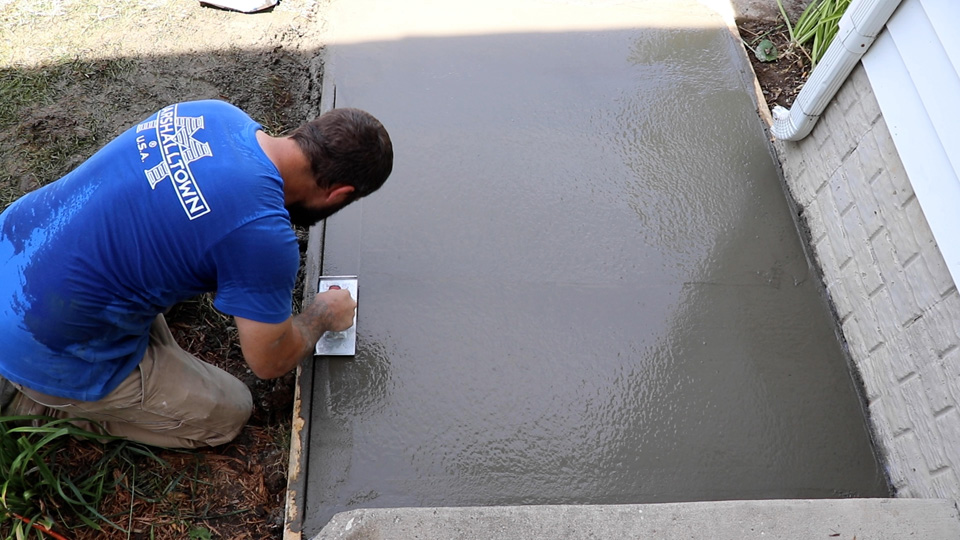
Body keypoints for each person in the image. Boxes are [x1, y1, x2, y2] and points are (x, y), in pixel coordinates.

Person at [0, 99, 393, 448]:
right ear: (339, 194)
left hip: (17, 246)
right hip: (39, 337)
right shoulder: (262, 234)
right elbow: (269, 361)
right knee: (228, 412)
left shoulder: (214, 114)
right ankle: (39, 401)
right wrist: (324, 313)